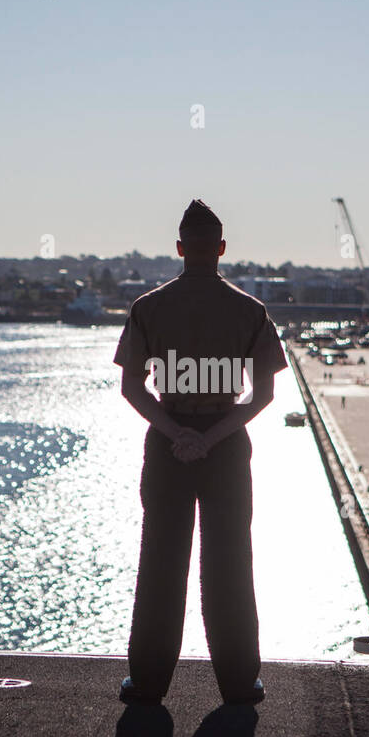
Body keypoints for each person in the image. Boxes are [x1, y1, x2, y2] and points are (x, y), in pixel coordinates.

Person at [113, 199, 288, 705]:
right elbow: (263, 396)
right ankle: (237, 682)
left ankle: (147, 683)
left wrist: (177, 434)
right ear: (222, 249)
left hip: (168, 444)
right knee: (230, 564)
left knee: (161, 564)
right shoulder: (250, 311)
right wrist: (210, 439)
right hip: (226, 444)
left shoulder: (148, 308)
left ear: (180, 249)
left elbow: (133, 389)